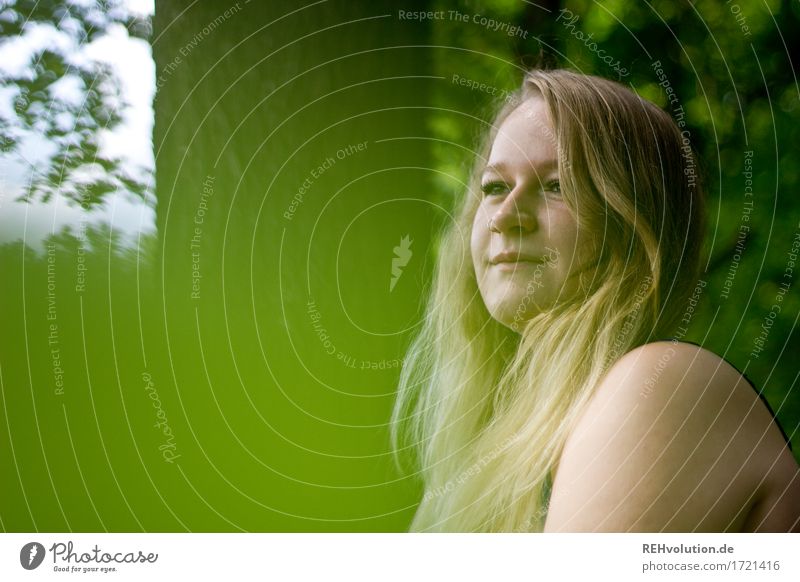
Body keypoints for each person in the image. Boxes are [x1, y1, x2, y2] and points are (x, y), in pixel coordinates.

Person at [391, 69, 800, 532]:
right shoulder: (517, 437)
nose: (506, 216)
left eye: (557, 185)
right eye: (494, 187)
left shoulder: (659, 383)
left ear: (636, 225)